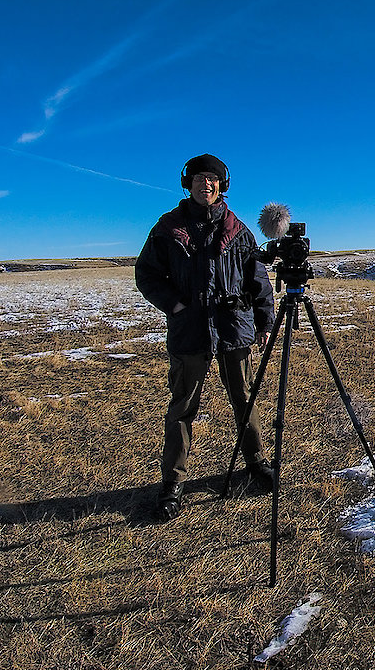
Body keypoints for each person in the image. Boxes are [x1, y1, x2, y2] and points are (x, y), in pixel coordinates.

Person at [135, 153, 277, 520]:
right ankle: (173, 484)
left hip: (235, 329)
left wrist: (264, 322)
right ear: (189, 183)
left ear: (222, 185)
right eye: (199, 178)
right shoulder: (169, 227)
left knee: (244, 398)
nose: (206, 184)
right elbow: (147, 274)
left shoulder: (237, 229)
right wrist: (175, 305)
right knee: (183, 407)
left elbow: (257, 280)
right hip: (190, 331)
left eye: (212, 179)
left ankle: (256, 463)